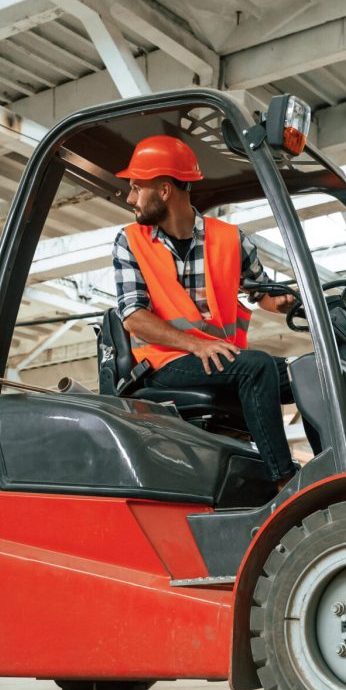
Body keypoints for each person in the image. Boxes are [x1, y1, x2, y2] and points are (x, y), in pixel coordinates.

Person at [111, 135, 298, 488]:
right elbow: (134, 315)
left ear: (164, 190)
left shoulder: (230, 239)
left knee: (311, 373)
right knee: (256, 367)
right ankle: (285, 483)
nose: (131, 197)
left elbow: (261, 293)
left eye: (137, 188)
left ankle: (335, 474)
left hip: (218, 359)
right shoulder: (130, 241)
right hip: (164, 362)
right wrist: (196, 345)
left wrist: (289, 300)